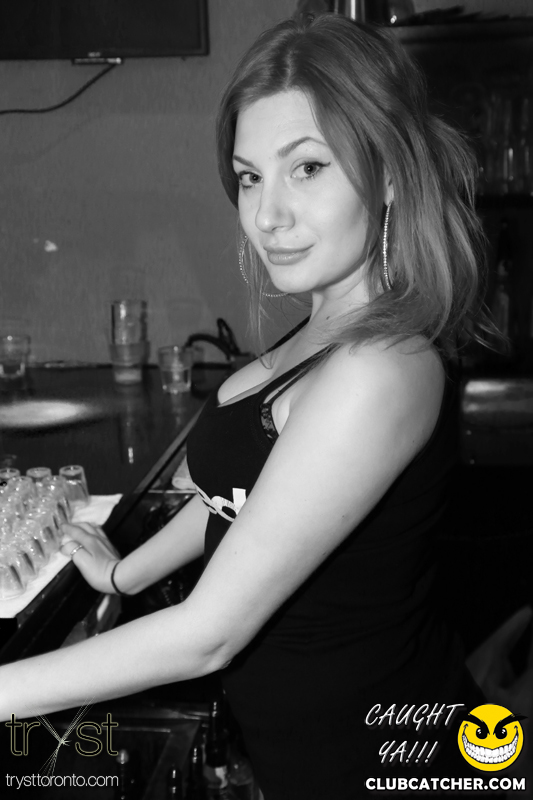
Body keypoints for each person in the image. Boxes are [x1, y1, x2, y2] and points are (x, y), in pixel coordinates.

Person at [0, 14, 498, 799]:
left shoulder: (381, 367)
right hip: (302, 751)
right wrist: (123, 573)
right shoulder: (328, 328)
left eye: (307, 168)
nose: (267, 215)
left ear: (389, 172)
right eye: (249, 177)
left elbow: (208, 635)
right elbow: (238, 503)